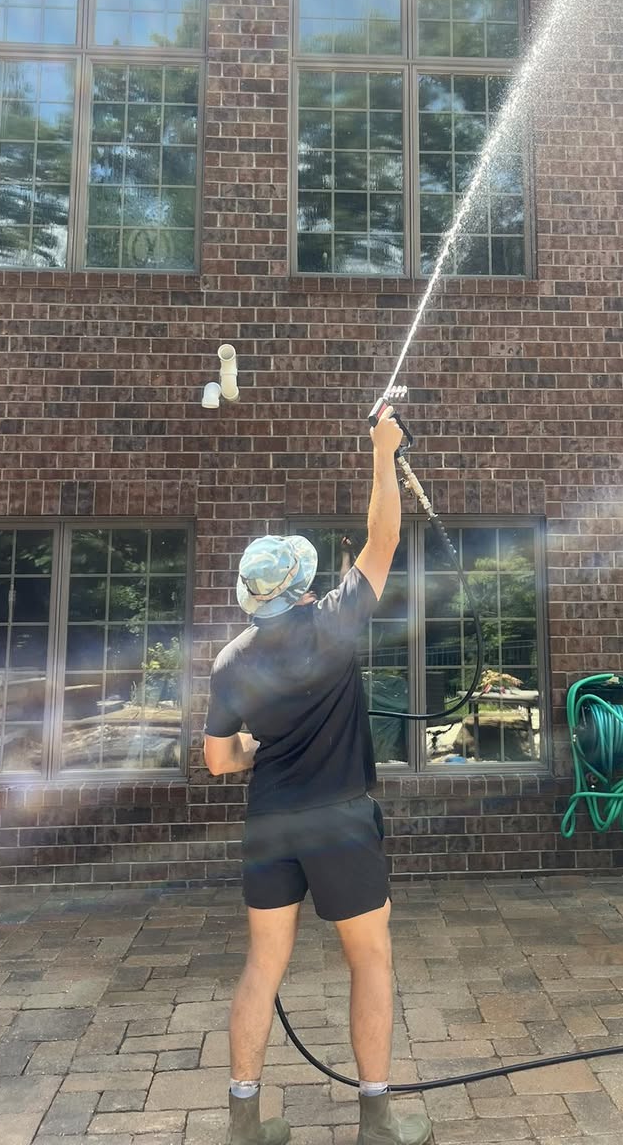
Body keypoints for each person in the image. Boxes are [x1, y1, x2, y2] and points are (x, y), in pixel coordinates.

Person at [204, 406, 431, 1145]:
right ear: (303, 585)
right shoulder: (333, 622)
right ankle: (377, 1122)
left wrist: (257, 749)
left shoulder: (231, 661)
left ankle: (244, 1122)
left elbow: (218, 759)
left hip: (270, 820)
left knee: (262, 966)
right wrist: (383, 450)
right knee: (370, 961)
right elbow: (384, 539)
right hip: (340, 818)